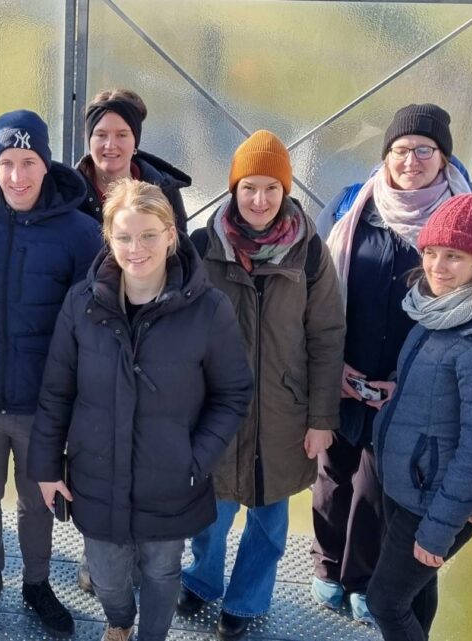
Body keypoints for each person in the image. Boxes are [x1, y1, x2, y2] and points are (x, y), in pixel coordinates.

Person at [28, 178, 253, 641]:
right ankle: (120, 621)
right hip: (95, 475)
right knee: (107, 577)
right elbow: (56, 391)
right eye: (125, 236)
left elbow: (232, 393)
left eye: (149, 235)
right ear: (108, 238)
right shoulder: (82, 304)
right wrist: (48, 467)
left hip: (170, 478)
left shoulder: (207, 309)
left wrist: (195, 458)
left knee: (161, 570)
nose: (137, 248)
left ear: (171, 236)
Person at [178, 131, 346, 639]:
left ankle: (246, 603)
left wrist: (321, 419)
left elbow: (326, 336)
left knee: (270, 525)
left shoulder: (310, 253)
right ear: (233, 188)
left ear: (286, 192)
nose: (260, 200)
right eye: (249, 187)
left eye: (272, 189)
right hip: (217, 412)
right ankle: (202, 582)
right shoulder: (204, 246)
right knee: (210, 514)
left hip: (285, 413)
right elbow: (180, 331)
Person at [311, 103, 472, 623]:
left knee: (375, 486)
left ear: (444, 158)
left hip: (409, 383)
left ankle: (360, 577)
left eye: (425, 150)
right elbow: (317, 285)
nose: (411, 160)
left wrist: (412, 382)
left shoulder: (461, 217)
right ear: (386, 155)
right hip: (344, 368)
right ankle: (326, 563)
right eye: (401, 150)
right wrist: (331, 365)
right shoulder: (353, 205)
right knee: (332, 473)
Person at [0, 110, 101, 638]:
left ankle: (37, 582)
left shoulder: (81, 233)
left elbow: (89, 327)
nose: (17, 175)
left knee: (39, 503)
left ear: (45, 162)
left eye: (29, 162)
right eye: (7, 163)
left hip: (43, 406)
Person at [366, 193, 472, 640]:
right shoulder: (440, 310)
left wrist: (438, 530)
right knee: (415, 592)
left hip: (437, 500)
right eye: (430, 252)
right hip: (411, 482)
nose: (437, 267)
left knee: (385, 600)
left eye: (453, 256)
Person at [76, 89, 192, 233]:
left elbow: (181, 250)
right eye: (101, 135)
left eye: (122, 135)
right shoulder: (68, 191)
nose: (110, 145)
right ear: (89, 140)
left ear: (135, 141)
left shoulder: (164, 189)